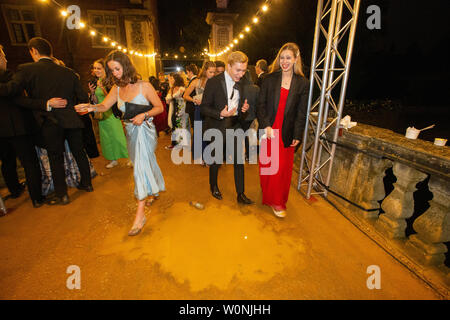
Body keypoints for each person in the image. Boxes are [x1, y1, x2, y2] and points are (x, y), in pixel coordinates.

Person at [75, 50, 165, 236]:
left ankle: (140, 215)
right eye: (112, 70)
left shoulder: (144, 86)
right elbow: (104, 106)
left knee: (140, 166)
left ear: (126, 65)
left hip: (146, 131)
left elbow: (159, 107)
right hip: (130, 131)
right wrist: (90, 107)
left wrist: (144, 114)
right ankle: (154, 189)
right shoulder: (116, 89)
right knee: (145, 161)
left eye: (117, 68)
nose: (115, 73)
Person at [0, 37, 93, 206]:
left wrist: (45, 104)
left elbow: (13, 93)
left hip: (50, 121)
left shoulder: (26, 69)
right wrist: (71, 109)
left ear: (33, 51)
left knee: (55, 157)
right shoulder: (69, 72)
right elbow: (82, 97)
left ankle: (62, 195)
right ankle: (87, 184)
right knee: (79, 153)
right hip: (72, 120)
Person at [257, 42, 309, 218]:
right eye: (282, 57)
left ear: (295, 59)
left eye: (288, 58)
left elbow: (301, 113)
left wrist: (297, 135)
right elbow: (261, 105)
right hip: (269, 128)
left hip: (286, 132)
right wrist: (266, 125)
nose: (285, 61)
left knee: (281, 169)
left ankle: (278, 201)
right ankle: (267, 193)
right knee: (267, 166)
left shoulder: (302, 83)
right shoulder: (269, 79)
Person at [200, 51, 253, 205]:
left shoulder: (243, 82)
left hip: (235, 125)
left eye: (243, 70)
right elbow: (204, 108)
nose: (241, 74)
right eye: (238, 70)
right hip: (217, 126)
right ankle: (213, 186)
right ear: (229, 66)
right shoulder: (214, 82)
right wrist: (220, 113)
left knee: (239, 161)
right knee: (216, 160)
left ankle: (241, 194)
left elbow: (242, 105)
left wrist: (244, 109)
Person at [0, 44, 44, 208]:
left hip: (1, 132)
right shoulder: (10, 77)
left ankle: (15, 189)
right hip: (18, 128)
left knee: (7, 161)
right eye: (3, 56)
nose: (6, 59)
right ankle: (37, 198)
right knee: (29, 163)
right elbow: (17, 95)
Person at [90, 59, 128, 169]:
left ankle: (130, 157)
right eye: (95, 68)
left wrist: (103, 89)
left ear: (104, 69)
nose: (96, 70)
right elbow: (95, 101)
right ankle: (113, 159)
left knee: (118, 137)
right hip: (102, 115)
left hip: (112, 113)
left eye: (99, 68)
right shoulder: (94, 82)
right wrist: (92, 93)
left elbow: (114, 99)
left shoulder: (111, 81)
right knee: (106, 138)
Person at [183, 61, 216, 163]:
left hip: (211, 110)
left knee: (210, 133)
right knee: (199, 132)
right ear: (205, 71)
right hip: (199, 110)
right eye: (210, 72)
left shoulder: (215, 82)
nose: (212, 74)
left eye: (214, 72)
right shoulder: (196, 81)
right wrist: (194, 100)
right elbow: (185, 95)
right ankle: (201, 157)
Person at [165, 72, 187, 149]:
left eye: (172, 78)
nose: (171, 80)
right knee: (174, 125)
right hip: (174, 108)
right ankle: (175, 143)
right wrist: (172, 96)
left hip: (180, 108)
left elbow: (182, 97)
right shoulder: (172, 88)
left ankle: (180, 143)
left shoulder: (181, 88)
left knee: (180, 125)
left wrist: (171, 96)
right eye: (170, 78)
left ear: (176, 79)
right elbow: (167, 101)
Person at [184, 64, 198, 135]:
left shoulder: (194, 81)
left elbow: (185, 95)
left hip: (193, 106)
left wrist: (194, 100)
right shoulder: (194, 80)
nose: (187, 75)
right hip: (193, 106)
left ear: (191, 72)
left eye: (187, 72)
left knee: (195, 126)